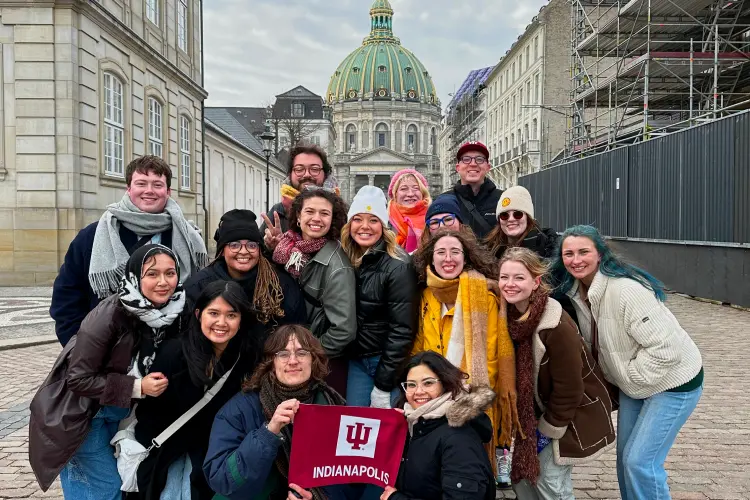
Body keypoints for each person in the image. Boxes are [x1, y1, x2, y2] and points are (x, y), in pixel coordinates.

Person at [553, 225, 704, 500]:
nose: (576, 260)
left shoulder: (626, 291)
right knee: (625, 461)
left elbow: (666, 349)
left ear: (599, 254)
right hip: (636, 383)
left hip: (675, 382)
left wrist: (628, 376)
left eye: (584, 252)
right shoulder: (575, 294)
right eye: (568, 253)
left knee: (640, 463)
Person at [29, 244, 185, 497]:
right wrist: (138, 387)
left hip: (113, 412)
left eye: (170, 273)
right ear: (135, 275)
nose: (163, 282)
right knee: (105, 488)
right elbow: (78, 379)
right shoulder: (110, 315)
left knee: (102, 485)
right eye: (152, 274)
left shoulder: (169, 310)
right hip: (80, 418)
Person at [50, 155, 208, 346]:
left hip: (170, 350)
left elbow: (200, 293)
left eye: (157, 185)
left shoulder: (188, 238)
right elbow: (67, 295)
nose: (149, 191)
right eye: (141, 183)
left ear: (168, 191)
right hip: (106, 349)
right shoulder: (92, 236)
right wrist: (80, 346)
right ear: (129, 188)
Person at [498, 247, 615, 500]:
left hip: (565, 415)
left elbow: (570, 389)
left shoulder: (555, 325)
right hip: (533, 414)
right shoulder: (506, 317)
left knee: (550, 482)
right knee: (523, 480)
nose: (510, 284)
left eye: (519, 278)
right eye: (504, 277)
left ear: (535, 281)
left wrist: (546, 432)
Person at [130, 281, 261, 499]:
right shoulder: (175, 354)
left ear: (241, 319)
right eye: (214, 313)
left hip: (216, 449)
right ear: (199, 314)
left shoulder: (247, 356)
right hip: (171, 451)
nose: (221, 323)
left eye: (231, 315)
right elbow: (149, 413)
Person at [203, 325, 350, 500]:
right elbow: (221, 479)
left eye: (302, 353)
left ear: (313, 359)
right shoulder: (239, 409)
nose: (293, 361)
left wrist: (314, 498)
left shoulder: (331, 404)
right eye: (283, 354)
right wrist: (268, 433)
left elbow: (348, 479)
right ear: (271, 362)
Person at [411, 230, 518, 465]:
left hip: (467, 396)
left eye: (455, 252)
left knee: (463, 462)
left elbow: (489, 359)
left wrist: (463, 399)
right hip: (429, 394)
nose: (448, 258)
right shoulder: (426, 294)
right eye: (441, 252)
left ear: (465, 257)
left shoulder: (484, 298)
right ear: (431, 258)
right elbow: (419, 343)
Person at [271, 188, 356, 395]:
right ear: (298, 216)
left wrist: (306, 355)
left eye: (324, 213)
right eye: (309, 211)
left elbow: (343, 330)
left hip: (319, 366)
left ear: (332, 220)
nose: (316, 218)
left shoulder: (337, 266)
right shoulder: (289, 248)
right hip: (290, 355)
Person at [340, 185, 417, 408]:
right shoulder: (349, 257)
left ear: (384, 227)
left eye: (373, 220)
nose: (365, 227)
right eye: (358, 219)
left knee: (385, 432)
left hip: (384, 362)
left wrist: (384, 385)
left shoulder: (398, 266)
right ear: (349, 224)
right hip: (358, 359)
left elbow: (402, 330)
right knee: (355, 427)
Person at [381, 351, 496, 500]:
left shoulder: (458, 438)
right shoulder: (414, 425)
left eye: (428, 383)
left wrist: (395, 499)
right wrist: (395, 427)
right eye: (411, 385)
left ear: (445, 383)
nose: (418, 392)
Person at [184, 209, 306, 330]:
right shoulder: (200, 285)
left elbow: (296, 330)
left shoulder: (280, 285)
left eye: (251, 245)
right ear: (222, 251)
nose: (243, 251)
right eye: (234, 245)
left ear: (259, 249)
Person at [261, 144, 340, 250]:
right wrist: (272, 249)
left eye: (314, 169)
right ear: (290, 174)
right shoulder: (277, 213)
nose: (307, 174)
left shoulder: (340, 212)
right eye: (299, 169)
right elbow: (257, 256)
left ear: (325, 174)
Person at [443, 141, 502, 239]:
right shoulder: (445, 201)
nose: (473, 164)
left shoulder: (502, 199)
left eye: (479, 159)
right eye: (466, 159)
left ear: (488, 167)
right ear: (458, 167)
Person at [486, 186, 559, 260]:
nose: (511, 219)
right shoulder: (489, 250)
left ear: (528, 217)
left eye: (517, 214)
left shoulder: (549, 248)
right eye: (504, 215)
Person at [386, 169, 431, 253]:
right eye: (404, 189)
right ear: (395, 194)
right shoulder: (384, 223)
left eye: (416, 188)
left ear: (423, 193)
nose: (410, 194)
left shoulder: (434, 221)